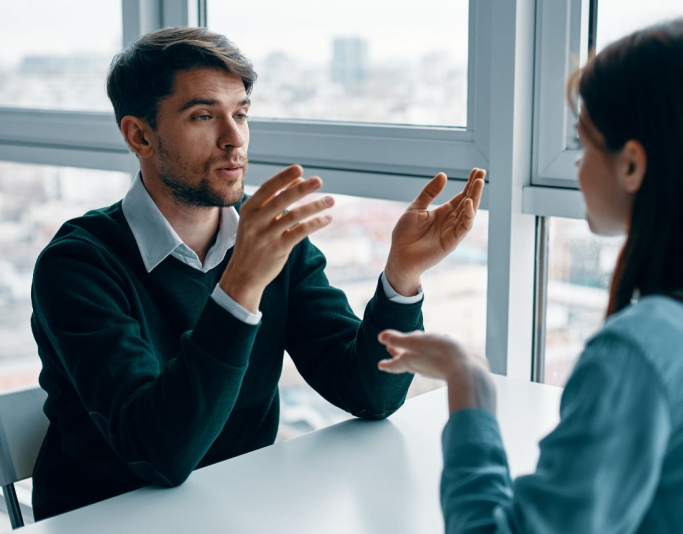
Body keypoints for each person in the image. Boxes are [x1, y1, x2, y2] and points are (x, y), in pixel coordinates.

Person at [30, 27, 485, 520]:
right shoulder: (77, 265)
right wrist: (241, 286)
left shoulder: (270, 237)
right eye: (204, 116)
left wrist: (402, 276)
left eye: (241, 114)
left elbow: (369, 394)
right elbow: (158, 454)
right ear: (140, 135)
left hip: (240, 506)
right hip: (105, 519)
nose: (234, 138)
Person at [378, 18, 683, 533]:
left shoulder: (643, 354)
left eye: (585, 144)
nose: (576, 167)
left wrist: (467, 384)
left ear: (632, 165)